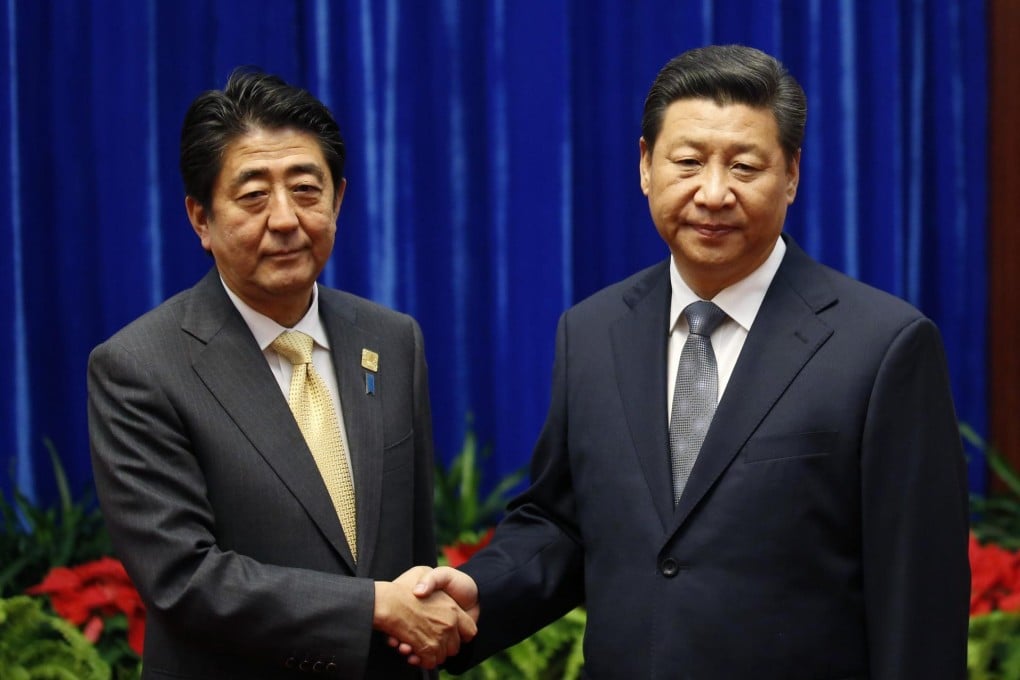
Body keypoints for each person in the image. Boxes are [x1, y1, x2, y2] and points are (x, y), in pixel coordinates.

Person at [409, 44, 970, 678]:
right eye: (688, 161)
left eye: (745, 166)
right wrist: (480, 592)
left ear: (791, 174)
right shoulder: (592, 332)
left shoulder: (883, 344)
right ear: (646, 166)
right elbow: (563, 523)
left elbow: (917, 596)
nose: (713, 192)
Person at [87, 69, 475, 679]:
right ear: (200, 219)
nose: (287, 219)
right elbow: (184, 581)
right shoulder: (140, 367)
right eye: (253, 196)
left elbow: (413, 553)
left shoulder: (393, 340)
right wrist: (374, 606)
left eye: (306, 189)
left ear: (338, 199)